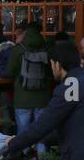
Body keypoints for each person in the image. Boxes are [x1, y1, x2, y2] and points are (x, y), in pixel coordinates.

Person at [6, 21, 53, 151]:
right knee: (41, 133)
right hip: (42, 98)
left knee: (23, 134)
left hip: (22, 98)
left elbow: (9, 72)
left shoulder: (18, 49)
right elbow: (51, 72)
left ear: (26, 32)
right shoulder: (47, 49)